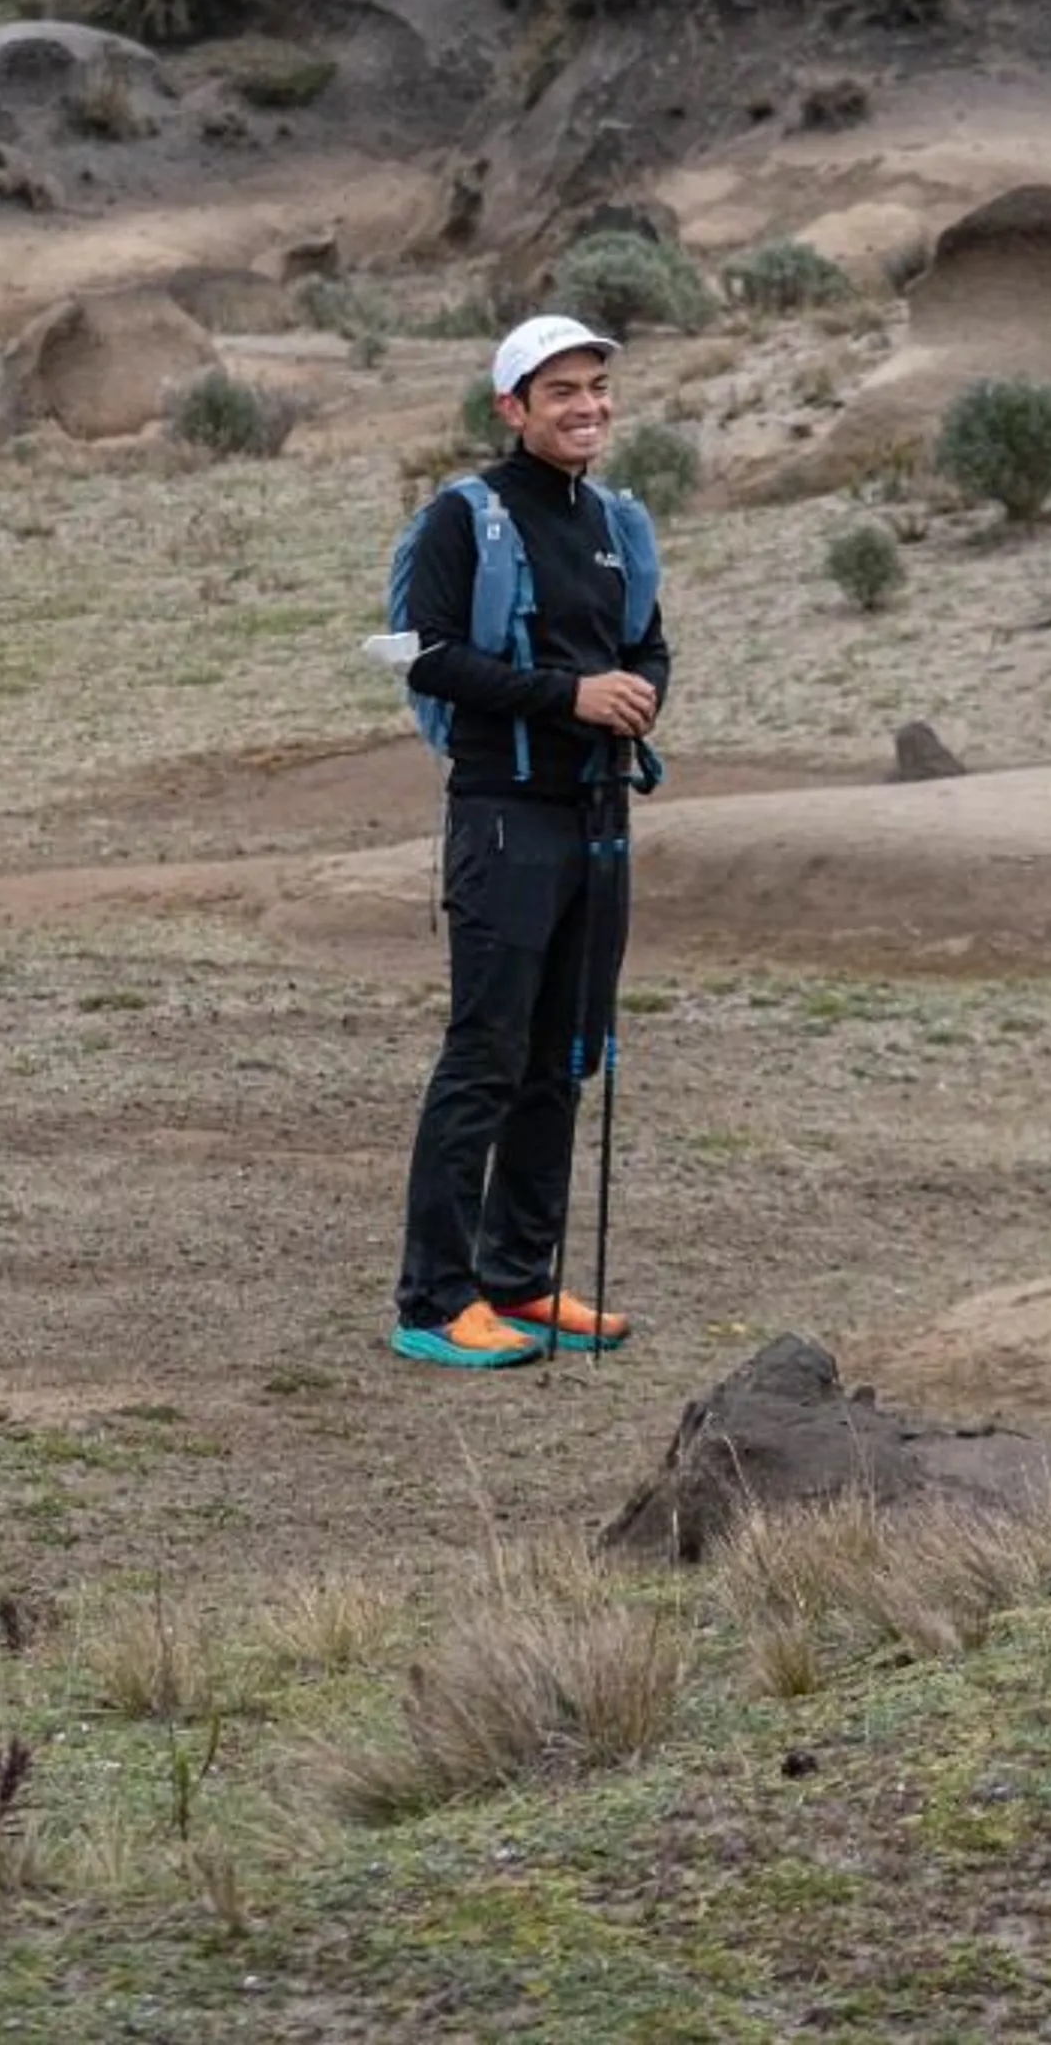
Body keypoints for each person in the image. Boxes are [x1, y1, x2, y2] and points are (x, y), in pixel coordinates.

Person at [388, 313, 671, 1370]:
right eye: (562, 391)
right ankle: (432, 1299)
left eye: (597, 387)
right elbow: (430, 659)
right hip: (503, 818)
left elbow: (647, 646)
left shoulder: (614, 523)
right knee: (487, 1054)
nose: (587, 406)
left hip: (598, 817)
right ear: (513, 407)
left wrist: (639, 698)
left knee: (565, 1055)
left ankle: (519, 1275)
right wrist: (573, 696)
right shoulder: (470, 516)